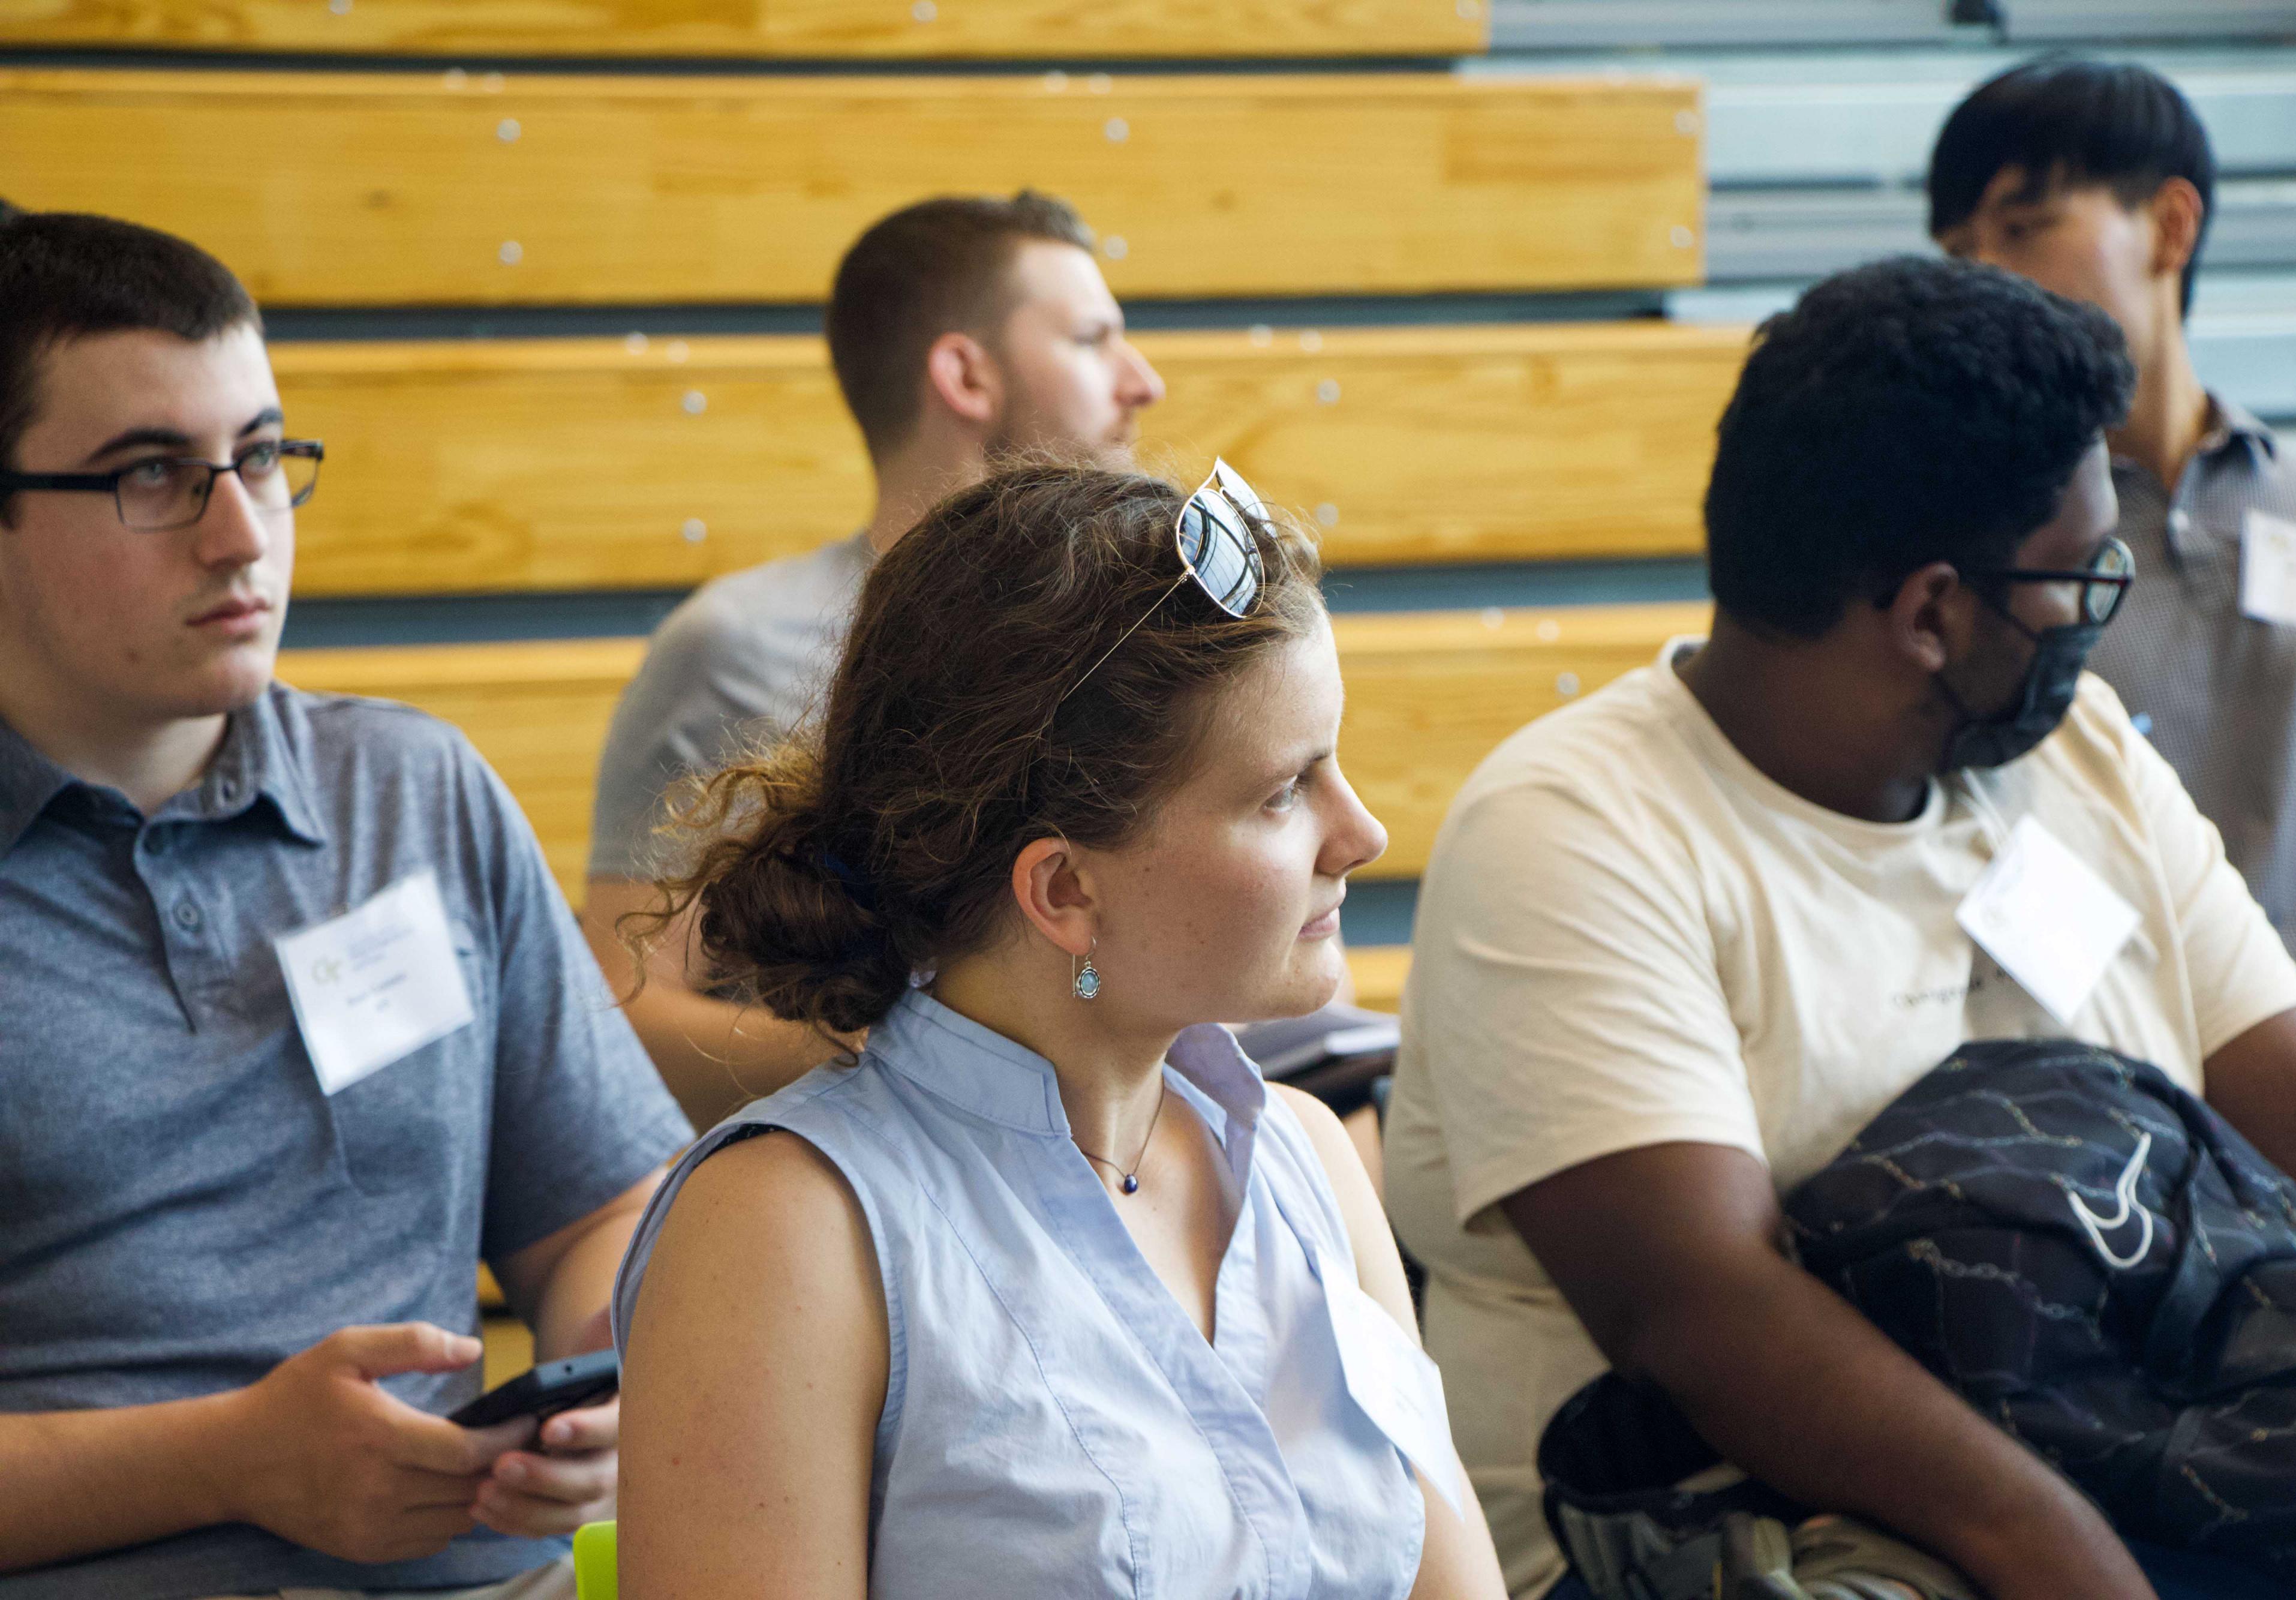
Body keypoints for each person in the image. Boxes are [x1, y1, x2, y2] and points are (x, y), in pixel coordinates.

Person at [1383, 257, 2296, 1600]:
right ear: (1928, 611)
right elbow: (1701, 1315)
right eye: (2080, 583)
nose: (2099, 616)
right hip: (1740, 1526)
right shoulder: (1575, 827)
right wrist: (2066, 1560)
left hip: (2131, 1446)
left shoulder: (2072, 751)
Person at [609, 462, 1506, 1599]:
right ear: (1065, 893)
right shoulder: (787, 1229)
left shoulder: (1310, 1158)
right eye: (1285, 791)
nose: (1364, 831)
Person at [0, 212, 691, 1598]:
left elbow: (604, 1207)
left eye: (258, 455)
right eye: (152, 474)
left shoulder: (413, 790)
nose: (241, 532)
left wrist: (612, 1388)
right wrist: (230, 1458)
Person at [582, 191, 1167, 1127]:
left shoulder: (1136, 637)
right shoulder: (741, 644)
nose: (1144, 382)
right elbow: (621, 1011)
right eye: (1094, 340)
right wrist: (911, 1072)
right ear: (967, 376)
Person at [1931, 57, 2296, 1050]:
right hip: (2110, 1079)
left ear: (2171, 227)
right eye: (1959, 251)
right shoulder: (1962, 568)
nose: (1984, 279)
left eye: (2022, 228)